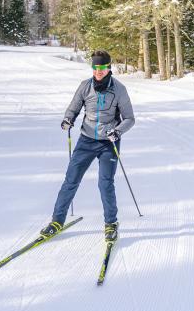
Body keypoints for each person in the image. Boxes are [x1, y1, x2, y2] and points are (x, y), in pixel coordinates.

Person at [40, 50, 135, 242]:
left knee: (105, 183)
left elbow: (130, 119)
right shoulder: (85, 86)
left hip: (109, 141)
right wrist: (68, 119)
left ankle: (111, 223)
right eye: (95, 67)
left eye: (102, 68)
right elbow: (73, 108)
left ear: (109, 68)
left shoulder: (119, 89)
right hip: (86, 140)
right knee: (71, 180)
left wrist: (117, 131)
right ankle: (57, 221)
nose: (98, 72)